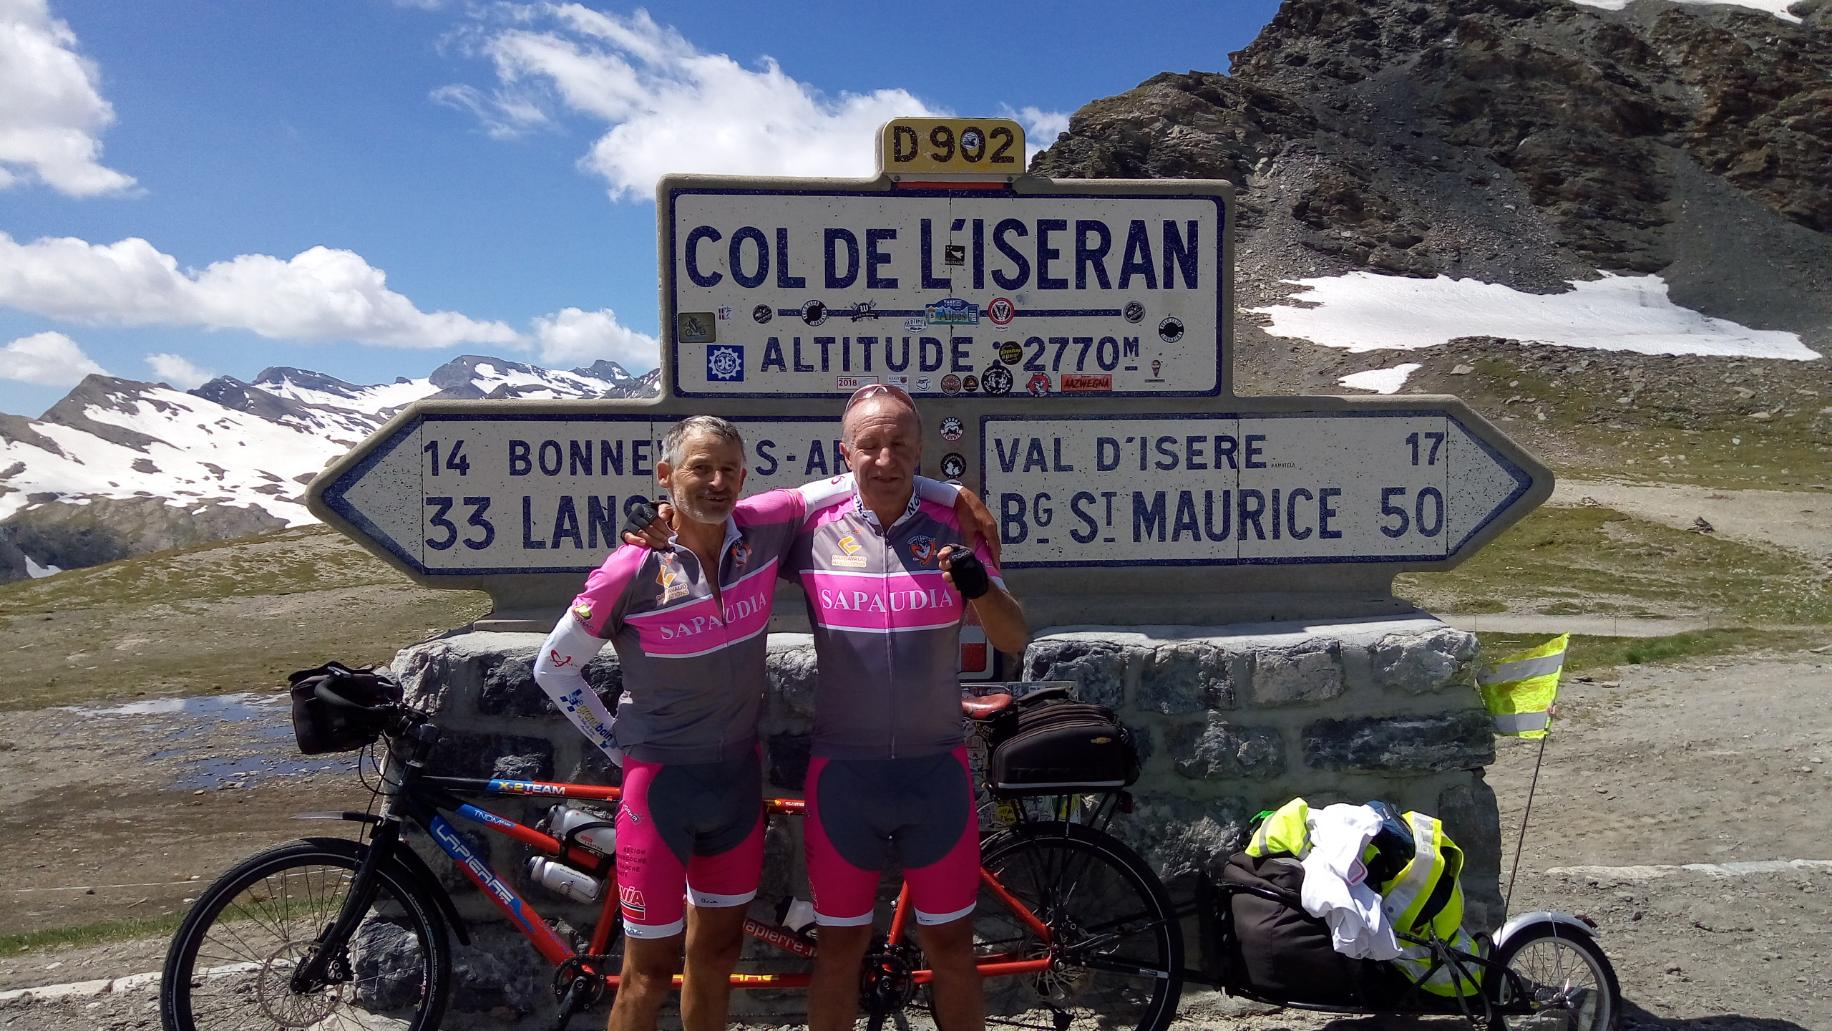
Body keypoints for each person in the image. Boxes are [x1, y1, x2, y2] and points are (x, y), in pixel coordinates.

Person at [531, 414, 990, 1031]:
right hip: (660, 788)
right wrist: (620, 746)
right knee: (646, 972)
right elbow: (554, 669)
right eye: (700, 468)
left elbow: (850, 480)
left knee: (716, 953)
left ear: (744, 478)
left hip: (736, 784)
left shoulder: (758, 534)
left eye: (729, 470)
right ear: (667, 476)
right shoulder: (630, 567)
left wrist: (951, 494)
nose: (717, 482)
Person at [788, 384, 1030, 1031]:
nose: (885, 457)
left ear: (920, 450)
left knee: (951, 946)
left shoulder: (954, 529)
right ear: (846, 452)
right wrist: (660, 520)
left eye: (899, 443)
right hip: (845, 775)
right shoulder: (810, 529)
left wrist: (981, 588)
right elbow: (726, 518)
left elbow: (1013, 637)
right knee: (838, 949)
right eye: (870, 444)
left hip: (934, 773)